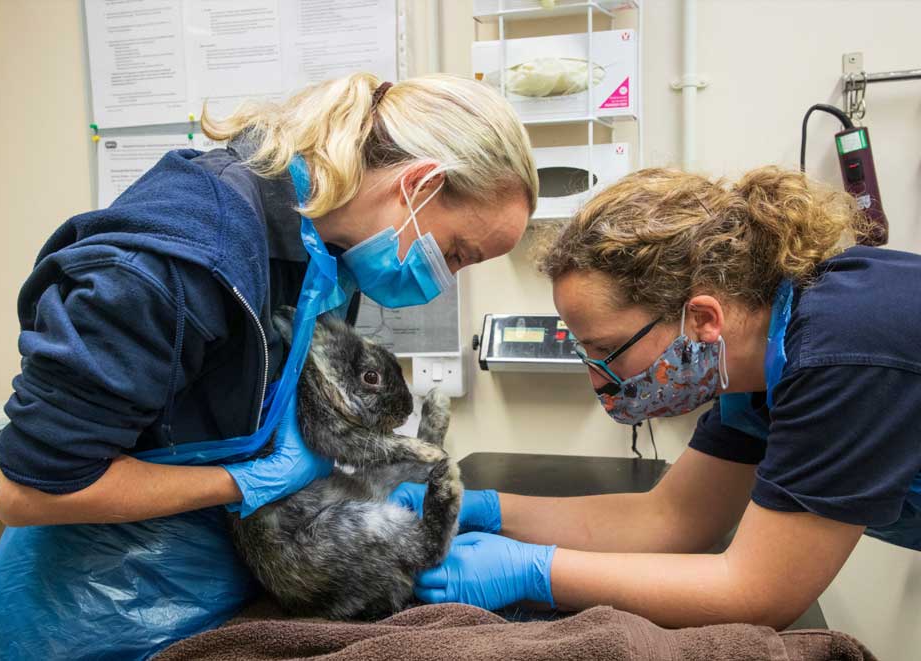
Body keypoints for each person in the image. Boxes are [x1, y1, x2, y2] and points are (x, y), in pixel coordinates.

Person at [0, 73, 537, 658]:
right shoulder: (171, 266)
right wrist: (246, 481)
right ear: (419, 185)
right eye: (456, 254)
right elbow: (27, 493)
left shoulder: (328, 258)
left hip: (228, 585)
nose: (446, 278)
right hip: (89, 617)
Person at [393, 166, 921, 629]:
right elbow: (671, 519)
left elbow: (759, 592)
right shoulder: (757, 370)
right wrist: (478, 509)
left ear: (703, 319)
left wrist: (531, 571)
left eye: (605, 350)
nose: (599, 380)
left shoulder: (843, 350)